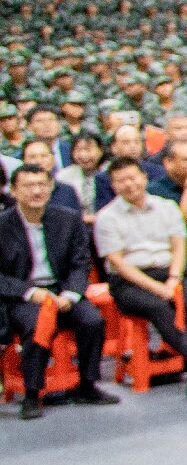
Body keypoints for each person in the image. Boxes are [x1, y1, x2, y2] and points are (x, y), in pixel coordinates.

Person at [94, 155, 187, 394]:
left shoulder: (166, 207)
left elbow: (179, 246)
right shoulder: (106, 217)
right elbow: (118, 263)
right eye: (122, 181)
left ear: (144, 178)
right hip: (129, 281)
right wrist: (157, 288)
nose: (130, 184)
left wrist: (173, 279)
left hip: (168, 272)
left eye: (133, 178)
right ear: (113, 186)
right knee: (158, 305)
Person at [5, 159, 117, 416]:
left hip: (62, 291)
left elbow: (80, 263)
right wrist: (30, 292)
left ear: (51, 187)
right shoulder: (3, 225)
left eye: (42, 185)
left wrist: (71, 294)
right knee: (36, 324)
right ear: (14, 191)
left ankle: (87, 385)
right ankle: (32, 393)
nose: (36, 191)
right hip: (24, 296)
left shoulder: (68, 219)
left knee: (92, 320)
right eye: (28, 186)